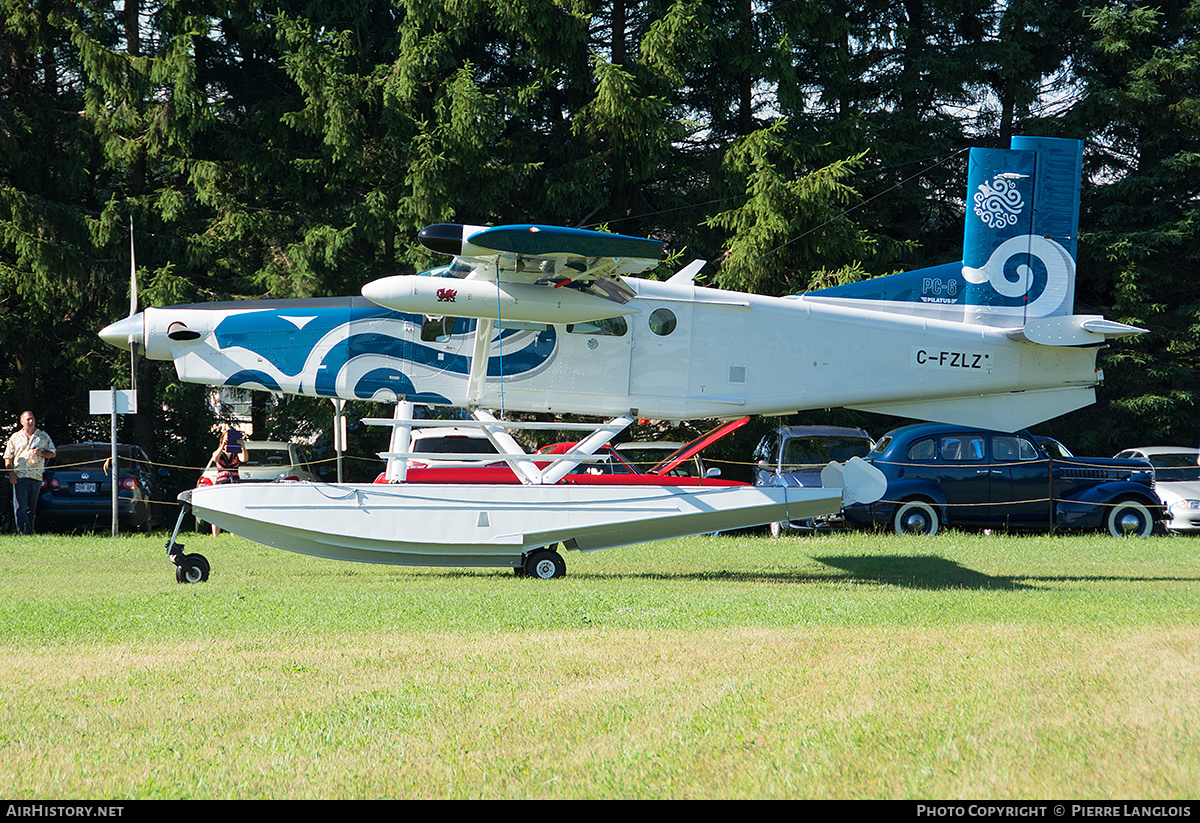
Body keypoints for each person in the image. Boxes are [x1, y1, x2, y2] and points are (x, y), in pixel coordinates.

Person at [4, 411, 56, 535]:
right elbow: (7, 456)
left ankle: (30, 531)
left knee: (31, 508)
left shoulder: (42, 436)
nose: (31, 421)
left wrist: (42, 453)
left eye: (32, 419)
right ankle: (23, 533)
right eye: (28, 419)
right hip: (20, 477)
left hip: (36, 477)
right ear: (22, 422)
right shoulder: (15, 437)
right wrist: (11, 474)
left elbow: (53, 453)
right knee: (21, 507)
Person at [208, 429, 244, 536]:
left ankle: (234, 534)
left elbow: (244, 459)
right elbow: (215, 458)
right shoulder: (219, 452)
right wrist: (223, 445)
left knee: (234, 508)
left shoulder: (237, 453)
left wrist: (242, 446)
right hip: (221, 483)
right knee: (217, 508)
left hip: (234, 483)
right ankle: (215, 535)